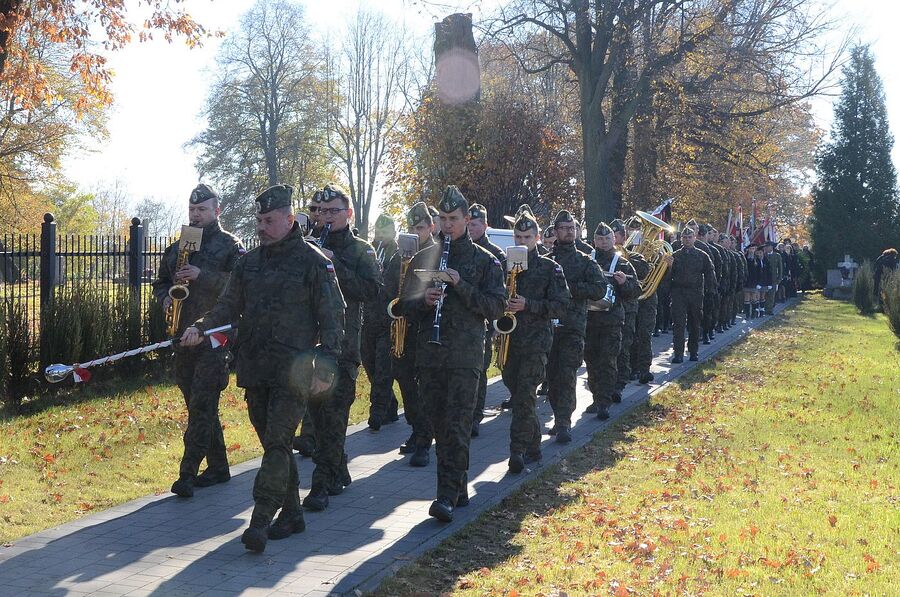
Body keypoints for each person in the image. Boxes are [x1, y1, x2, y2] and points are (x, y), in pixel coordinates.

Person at [180, 184, 345, 553]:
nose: (261, 227)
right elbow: (226, 307)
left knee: (278, 441)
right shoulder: (248, 263)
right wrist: (201, 327)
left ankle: (261, 518)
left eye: (268, 220)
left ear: (289, 219)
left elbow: (333, 318)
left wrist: (327, 365)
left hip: (294, 371)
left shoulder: (314, 262)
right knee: (274, 444)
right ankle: (293, 513)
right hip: (255, 368)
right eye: (258, 220)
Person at [399, 186, 505, 522]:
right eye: (443, 218)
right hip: (429, 355)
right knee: (439, 425)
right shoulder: (423, 259)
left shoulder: (485, 260)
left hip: (464, 356)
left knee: (457, 425)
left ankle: (444, 495)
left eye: (454, 219)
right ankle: (458, 488)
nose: (448, 225)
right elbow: (403, 307)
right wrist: (423, 301)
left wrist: (461, 286)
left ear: (466, 219)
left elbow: (496, 307)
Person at [153, 184, 245, 499]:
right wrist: (166, 297)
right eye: (192, 209)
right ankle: (218, 467)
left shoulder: (231, 245)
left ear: (216, 211)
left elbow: (241, 286)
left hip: (214, 337)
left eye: (202, 209)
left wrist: (201, 274)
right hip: (183, 336)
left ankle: (187, 474)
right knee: (198, 405)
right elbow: (160, 282)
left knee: (203, 404)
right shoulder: (178, 247)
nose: (196, 214)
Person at [302, 184, 382, 512]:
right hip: (310, 345)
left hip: (344, 347)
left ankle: (320, 485)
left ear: (348, 213)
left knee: (334, 416)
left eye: (333, 211)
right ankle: (338, 468)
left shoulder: (362, 249)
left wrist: (336, 265)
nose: (325, 217)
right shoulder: (307, 246)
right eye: (320, 211)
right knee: (317, 418)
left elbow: (372, 290)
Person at [500, 210, 569, 473]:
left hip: (536, 342)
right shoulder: (504, 265)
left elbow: (561, 306)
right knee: (520, 394)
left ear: (537, 237)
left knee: (525, 395)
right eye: (518, 237)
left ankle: (516, 451)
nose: (522, 242)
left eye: (527, 237)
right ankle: (534, 445)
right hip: (509, 341)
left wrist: (528, 304)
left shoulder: (550, 268)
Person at [547, 210, 604, 442]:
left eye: (572, 228)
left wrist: (571, 289)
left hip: (573, 327)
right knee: (552, 376)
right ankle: (557, 417)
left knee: (567, 374)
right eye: (564, 228)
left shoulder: (585, 260)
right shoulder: (546, 260)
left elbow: (599, 288)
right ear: (555, 231)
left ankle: (564, 422)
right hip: (548, 327)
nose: (569, 232)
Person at [387, 202, 437, 464]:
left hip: (424, 331)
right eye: (412, 228)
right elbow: (388, 289)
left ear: (431, 227)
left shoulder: (437, 254)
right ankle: (416, 429)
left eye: (420, 227)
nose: (416, 233)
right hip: (403, 329)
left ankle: (425, 440)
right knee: (405, 381)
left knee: (424, 388)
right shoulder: (401, 256)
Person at [584, 222, 639, 420]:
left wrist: (624, 283)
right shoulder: (586, 260)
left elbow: (636, 291)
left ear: (613, 239)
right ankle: (595, 397)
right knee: (591, 361)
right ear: (594, 241)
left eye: (607, 238)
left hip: (611, 321)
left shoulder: (622, 263)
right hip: (589, 320)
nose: (604, 242)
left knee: (607, 361)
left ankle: (604, 402)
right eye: (600, 239)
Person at [466, 203, 506, 437]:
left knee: (479, 370)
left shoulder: (495, 255)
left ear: (485, 225)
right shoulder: (459, 249)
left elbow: (501, 293)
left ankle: (475, 416)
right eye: (469, 224)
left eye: (475, 224)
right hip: (461, 322)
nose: (471, 228)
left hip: (485, 322)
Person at [361, 213, 400, 431]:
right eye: (378, 231)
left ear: (393, 231)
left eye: (385, 231)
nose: (381, 235)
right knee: (370, 365)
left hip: (388, 320)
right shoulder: (369, 251)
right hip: (368, 318)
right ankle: (391, 405)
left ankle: (377, 412)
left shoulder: (398, 254)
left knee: (384, 369)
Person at [668, 226, 716, 363]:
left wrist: (711, 291)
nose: (687, 240)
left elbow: (710, 274)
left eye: (690, 237)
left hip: (695, 293)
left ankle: (693, 352)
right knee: (678, 324)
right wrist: (669, 267)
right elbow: (667, 278)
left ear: (694, 238)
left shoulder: (702, 255)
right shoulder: (675, 256)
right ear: (681, 239)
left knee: (695, 323)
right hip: (678, 293)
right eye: (685, 237)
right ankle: (678, 353)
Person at [610, 219, 644, 396]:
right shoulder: (598, 256)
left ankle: (623, 379)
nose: (613, 240)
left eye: (616, 236)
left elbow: (642, 275)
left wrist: (628, 259)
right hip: (607, 309)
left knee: (626, 343)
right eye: (612, 236)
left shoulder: (634, 257)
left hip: (628, 307)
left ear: (624, 238)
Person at [625, 217, 657, 385]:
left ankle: (644, 369)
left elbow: (659, 275)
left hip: (647, 297)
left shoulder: (654, 251)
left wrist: (668, 265)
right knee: (630, 333)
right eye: (632, 229)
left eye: (639, 229)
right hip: (630, 297)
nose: (635, 232)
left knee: (644, 333)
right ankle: (631, 368)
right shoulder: (622, 250)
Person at [764, 242, 782, 315]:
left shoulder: (777, 255)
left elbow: (780, 268)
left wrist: (779, 278)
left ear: (771, 247)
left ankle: (769, 309)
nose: (766, 248)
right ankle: (764, 308)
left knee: (771, 295)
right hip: (765, 279)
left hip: (773, 278)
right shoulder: (763, 255)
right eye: (766, 246)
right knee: (765, 295)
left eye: (768, 246)